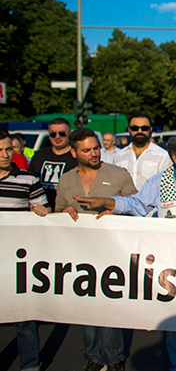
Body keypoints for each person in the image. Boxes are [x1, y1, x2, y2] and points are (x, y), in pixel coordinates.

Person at [74, 134, 176, 371]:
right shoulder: (158, 182)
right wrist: (108, 203)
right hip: (173, 260)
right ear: (175, 158)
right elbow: (137, 205)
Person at [54, 128, 136, 371]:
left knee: (109, 307)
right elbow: (57, 209)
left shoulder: (118, 174)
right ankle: (93, 357)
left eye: (96, 148)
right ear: (73, 152)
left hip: (111, 252)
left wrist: (117, 210)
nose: (93, 153)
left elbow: (136, 207)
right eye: (86, 150)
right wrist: (62, 212)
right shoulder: (66, 179)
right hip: (78, 255)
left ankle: (114, 359)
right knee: (85, 309)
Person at [0, 127, 50, 371]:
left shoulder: (28, 180)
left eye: (8, 149)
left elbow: (43, 211)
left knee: (24, 319)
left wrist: (42, 212)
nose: (5, 154)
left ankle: (30, 366)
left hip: (18, 261)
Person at [27, 117, 78, 210]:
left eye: (62, 133)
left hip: (67, 211)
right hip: (40, 210)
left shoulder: (77, 157)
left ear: (69, 134)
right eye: (53, 134)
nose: (57, 137)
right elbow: (29, 180)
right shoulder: (40, 154)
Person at [113, 113, 172, 191]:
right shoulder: (119, 156)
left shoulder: (162, 156)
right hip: (125, 202)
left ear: (150, 130)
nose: (139, 131)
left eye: (144, 128)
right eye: (135, 128)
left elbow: (166, 187)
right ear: (129, 130)